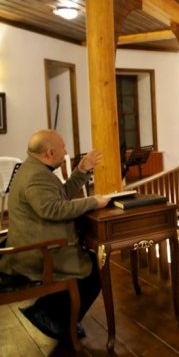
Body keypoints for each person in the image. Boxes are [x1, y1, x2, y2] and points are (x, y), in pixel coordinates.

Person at [0, 130, 110, 340]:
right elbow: (54, 209)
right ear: (50, 153)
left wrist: (82, 170)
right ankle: (55, 320)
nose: (66, 152)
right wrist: (93, 202)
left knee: (90, 262)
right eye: (63, 148)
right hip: (36, 253)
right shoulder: (36, 176)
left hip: (35, 243)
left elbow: (61, 196)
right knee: (93, 270)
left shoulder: (34, 168)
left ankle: (50, 313)